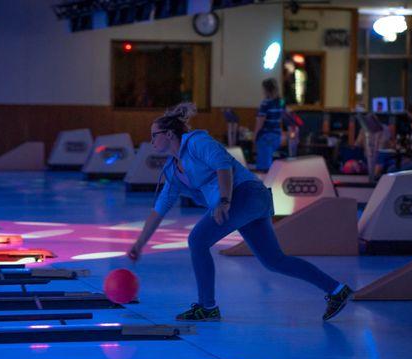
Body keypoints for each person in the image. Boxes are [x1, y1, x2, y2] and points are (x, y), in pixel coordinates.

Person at [128, 103, 353, 322]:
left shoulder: (197, 142)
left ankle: (207, 307)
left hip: (245, 194)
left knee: (197, 240)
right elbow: (159, 210)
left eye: (154, 135)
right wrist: (139, 244)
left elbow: (223, 166)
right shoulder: (173, 169)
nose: (151, 140)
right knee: (274, 260)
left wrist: (224, 201)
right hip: (245, 201)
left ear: (168, 134)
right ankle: (336, 289)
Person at [253, 78, 284, 171]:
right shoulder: (280, 102)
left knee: (264, 168)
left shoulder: (265, 103)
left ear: (266, 89)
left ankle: (264, 184)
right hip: (277, 137)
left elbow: (260, 122)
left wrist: (255, 135)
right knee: (270, 165)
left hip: (266, 137)